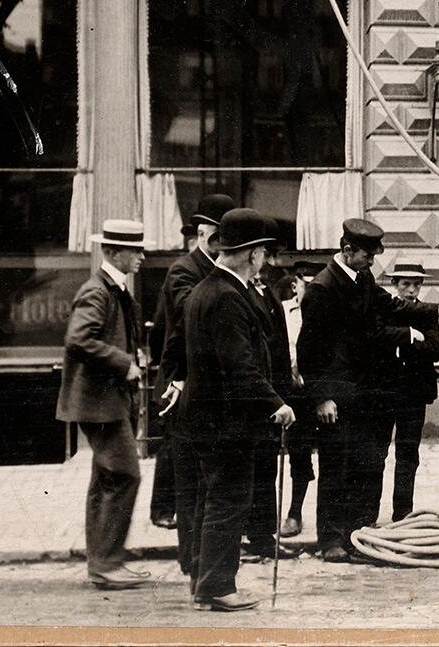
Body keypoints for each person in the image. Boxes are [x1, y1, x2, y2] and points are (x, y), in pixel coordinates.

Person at [181, 208, 294, 611]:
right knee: (228, 503)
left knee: (210, 501)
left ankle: (203, 581)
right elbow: (239, 367)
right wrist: (276, 403)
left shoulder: (207, 289)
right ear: (252, 254)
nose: (265, 259)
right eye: (264, 251)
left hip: (206, 418)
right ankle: (218, 588)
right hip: (226, 422)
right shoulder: (228, 297)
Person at [297, 218, 421, 560]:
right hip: (335, 397)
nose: (372, 261)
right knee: (335, 469)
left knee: (362, 466)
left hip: (364, 393)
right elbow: (308, 351)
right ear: (347, 250)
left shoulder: (361, 278)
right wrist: (321, 397)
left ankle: (355, 535)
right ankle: (331, 541)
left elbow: (391, 306)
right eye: (367, 254)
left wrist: (438, 309)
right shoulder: (322, 288)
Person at [57, 219, 152, 590]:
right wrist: (123, 362)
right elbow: (77, 340)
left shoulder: (115, 289)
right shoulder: (97, 291)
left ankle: (103, 562)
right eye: (135, 251)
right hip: (99, 404)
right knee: (126, 474)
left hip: (106, 401)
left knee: (106, 479)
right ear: (112, 252)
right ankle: (106, 563)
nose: (141, 257)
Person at [150, 192, 234, 543]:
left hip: (199, 377)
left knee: (185, 453)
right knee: (177, 451)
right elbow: (188, 318)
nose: (223, 242)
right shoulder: (184, 270)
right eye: (218, 235)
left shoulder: (215, 269)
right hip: (182, 376)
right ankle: (166, 514)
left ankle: (175, 514)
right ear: (201, 234)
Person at [242, 237, 295, 565]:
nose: (269, 262)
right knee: (249, 470)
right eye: (265, 255)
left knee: (265, 468)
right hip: (253, 396)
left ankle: (263, 536)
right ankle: (247, 536)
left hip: (272, 391)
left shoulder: (267, 287)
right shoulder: (240, 292)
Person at [383, 262, 439, 522]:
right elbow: (375, 342)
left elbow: (434, 350)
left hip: (414, 392)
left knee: (408, 453)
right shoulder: (384, 310)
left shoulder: (426, 313)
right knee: (377, 451)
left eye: (416, 285)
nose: (411, 290)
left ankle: (402, 512)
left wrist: (405, 345)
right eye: (405, 284)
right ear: (394, 285)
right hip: (383, 392)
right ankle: (367, 514)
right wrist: (408, 335)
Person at [278, 260, 321, 537]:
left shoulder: (325, 312)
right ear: (295, 284)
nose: (312, 290)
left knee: (301, 454)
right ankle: (258, 517)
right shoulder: (282, 311)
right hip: (283, 390)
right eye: (307, 284)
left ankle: (295, 513)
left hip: (311, 393)